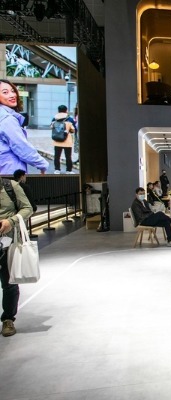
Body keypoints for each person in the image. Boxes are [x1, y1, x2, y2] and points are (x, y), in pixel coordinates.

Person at [0, 177, 34, 336]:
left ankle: (8, 319)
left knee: (9, 283)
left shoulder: (11, 186)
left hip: (7, 244)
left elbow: (28, 208)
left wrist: (11, 221)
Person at [0, 79, 49, 175]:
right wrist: (42, 164)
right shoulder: (7, 119)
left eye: (13, 91)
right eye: (5, 92)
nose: (12, 95)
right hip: (10, 173)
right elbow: (21, 146)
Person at [50, 105, 76, 174]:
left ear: (58, 110)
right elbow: (73, 130)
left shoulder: (54, 119)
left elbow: (51, 127)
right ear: (66, 110)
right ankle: (68, 170)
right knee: (68, 156)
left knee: (57, 156)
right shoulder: (70, 119)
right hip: (67, 140)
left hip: (57, 140)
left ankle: (57, 170)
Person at [12, 169, 38, 238]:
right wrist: (34, 208)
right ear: (22, 176)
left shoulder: (10, 186)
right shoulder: (25, 187)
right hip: (23, 210)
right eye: (25, 176)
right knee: (23, 227)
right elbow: (29, 198)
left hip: (13, 210)